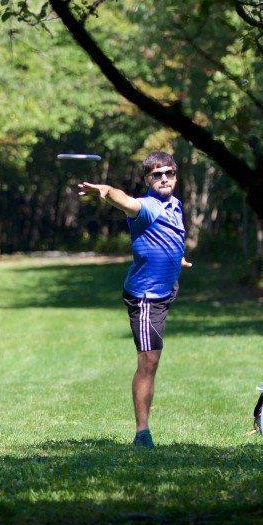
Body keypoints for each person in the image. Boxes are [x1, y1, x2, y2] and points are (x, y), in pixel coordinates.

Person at [78, 151, 191, 449]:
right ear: (147, 180)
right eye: (157, 174)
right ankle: (142, 432)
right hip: (145, 298)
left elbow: (169, 236)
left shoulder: (174, 205)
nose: (164, 178)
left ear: (176, 176)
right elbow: (125, 201)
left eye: (169, 173)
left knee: (152, 359)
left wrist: (177, 257)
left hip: (166, 290)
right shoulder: (148, 207)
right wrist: (106, 191)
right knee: (149, 360)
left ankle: (143, 430)